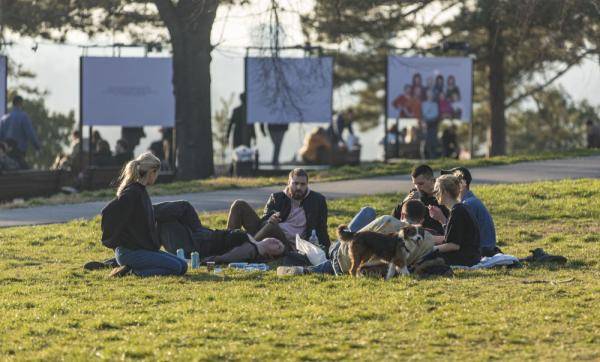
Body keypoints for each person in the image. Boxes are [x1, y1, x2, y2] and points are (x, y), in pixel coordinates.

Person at [100, 152, 188, 277]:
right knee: (177, 268)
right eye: (157, 173)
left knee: (183, 266)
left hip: (142, 250)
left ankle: (129, 266)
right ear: (152, 171)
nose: (156, 177)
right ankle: (132, 272)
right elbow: (108, 212)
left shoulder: (140, 191)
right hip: (130, 252)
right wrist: (116, 242)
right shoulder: (132, 193)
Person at [226, 168, 330, 254]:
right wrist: (269, 220)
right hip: (268, 236)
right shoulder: (277, 197)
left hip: (290, 246)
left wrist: (328, 253)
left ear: (307, 184)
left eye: (302, 184)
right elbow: (263, 224)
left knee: (273, 226)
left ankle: (247, 248)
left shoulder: (317, 200)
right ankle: (226, 247)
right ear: (288, 183)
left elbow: (322, 229)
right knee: (239, 205)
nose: (299, 187)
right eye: (295, 183)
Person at [429, 167, 498, 257]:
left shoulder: (467, 205)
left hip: (481, 251)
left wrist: (429, 248)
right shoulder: (464, 205)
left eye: (454, 181)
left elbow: (455, 242)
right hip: (475, 251)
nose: (435, 194)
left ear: (463, 183)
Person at [431, 174, 481, 266]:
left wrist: (430, 250)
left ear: (445, 192)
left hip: (465, 259)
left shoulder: (457, 211)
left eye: (436, 191)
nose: (435, 194)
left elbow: (453, 245)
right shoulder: (462, 208)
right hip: (472, 257)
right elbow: (454, 238)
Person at [392, 164, 448, 235]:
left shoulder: (442, 195)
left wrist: (422, 200)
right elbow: (394, 217)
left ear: (432, 180)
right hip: (412, 231)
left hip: (434, 234)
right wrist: (405, 201)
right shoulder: (414, 192)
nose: (417, 187)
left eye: (421, 184)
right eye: (415, 184)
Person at [0, 95, 40, 169]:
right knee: (25, 175)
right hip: (18, 154)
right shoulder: (23, 116)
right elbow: (30, 134)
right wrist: (37, 146)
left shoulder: (4, 119)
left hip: (5, 156)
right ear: (20, 103)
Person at [421, 90, 440, 159]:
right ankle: (425, 156)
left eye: (431, 94)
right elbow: (424, 114)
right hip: (426, 123)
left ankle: (433, 157)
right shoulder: (424, 104)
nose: (430, 96)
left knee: (433, 141)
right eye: (429, 94)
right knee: (426, 141)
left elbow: (436, 114)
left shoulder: (435, 104)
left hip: (433, 123)